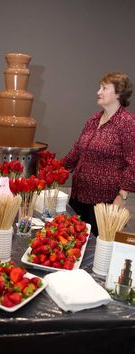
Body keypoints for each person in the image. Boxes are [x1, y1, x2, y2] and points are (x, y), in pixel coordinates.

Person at [63, 72, 135, 236]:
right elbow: (77, 150)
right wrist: (56, 170)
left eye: (104, 88)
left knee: (96, 248)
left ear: (118, 93)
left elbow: (133, 162)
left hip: (104, 202)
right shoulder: (94, 120)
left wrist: (122, 196)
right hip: (78, 195)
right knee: (75, 242)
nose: (98, 92)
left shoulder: (127, 123)